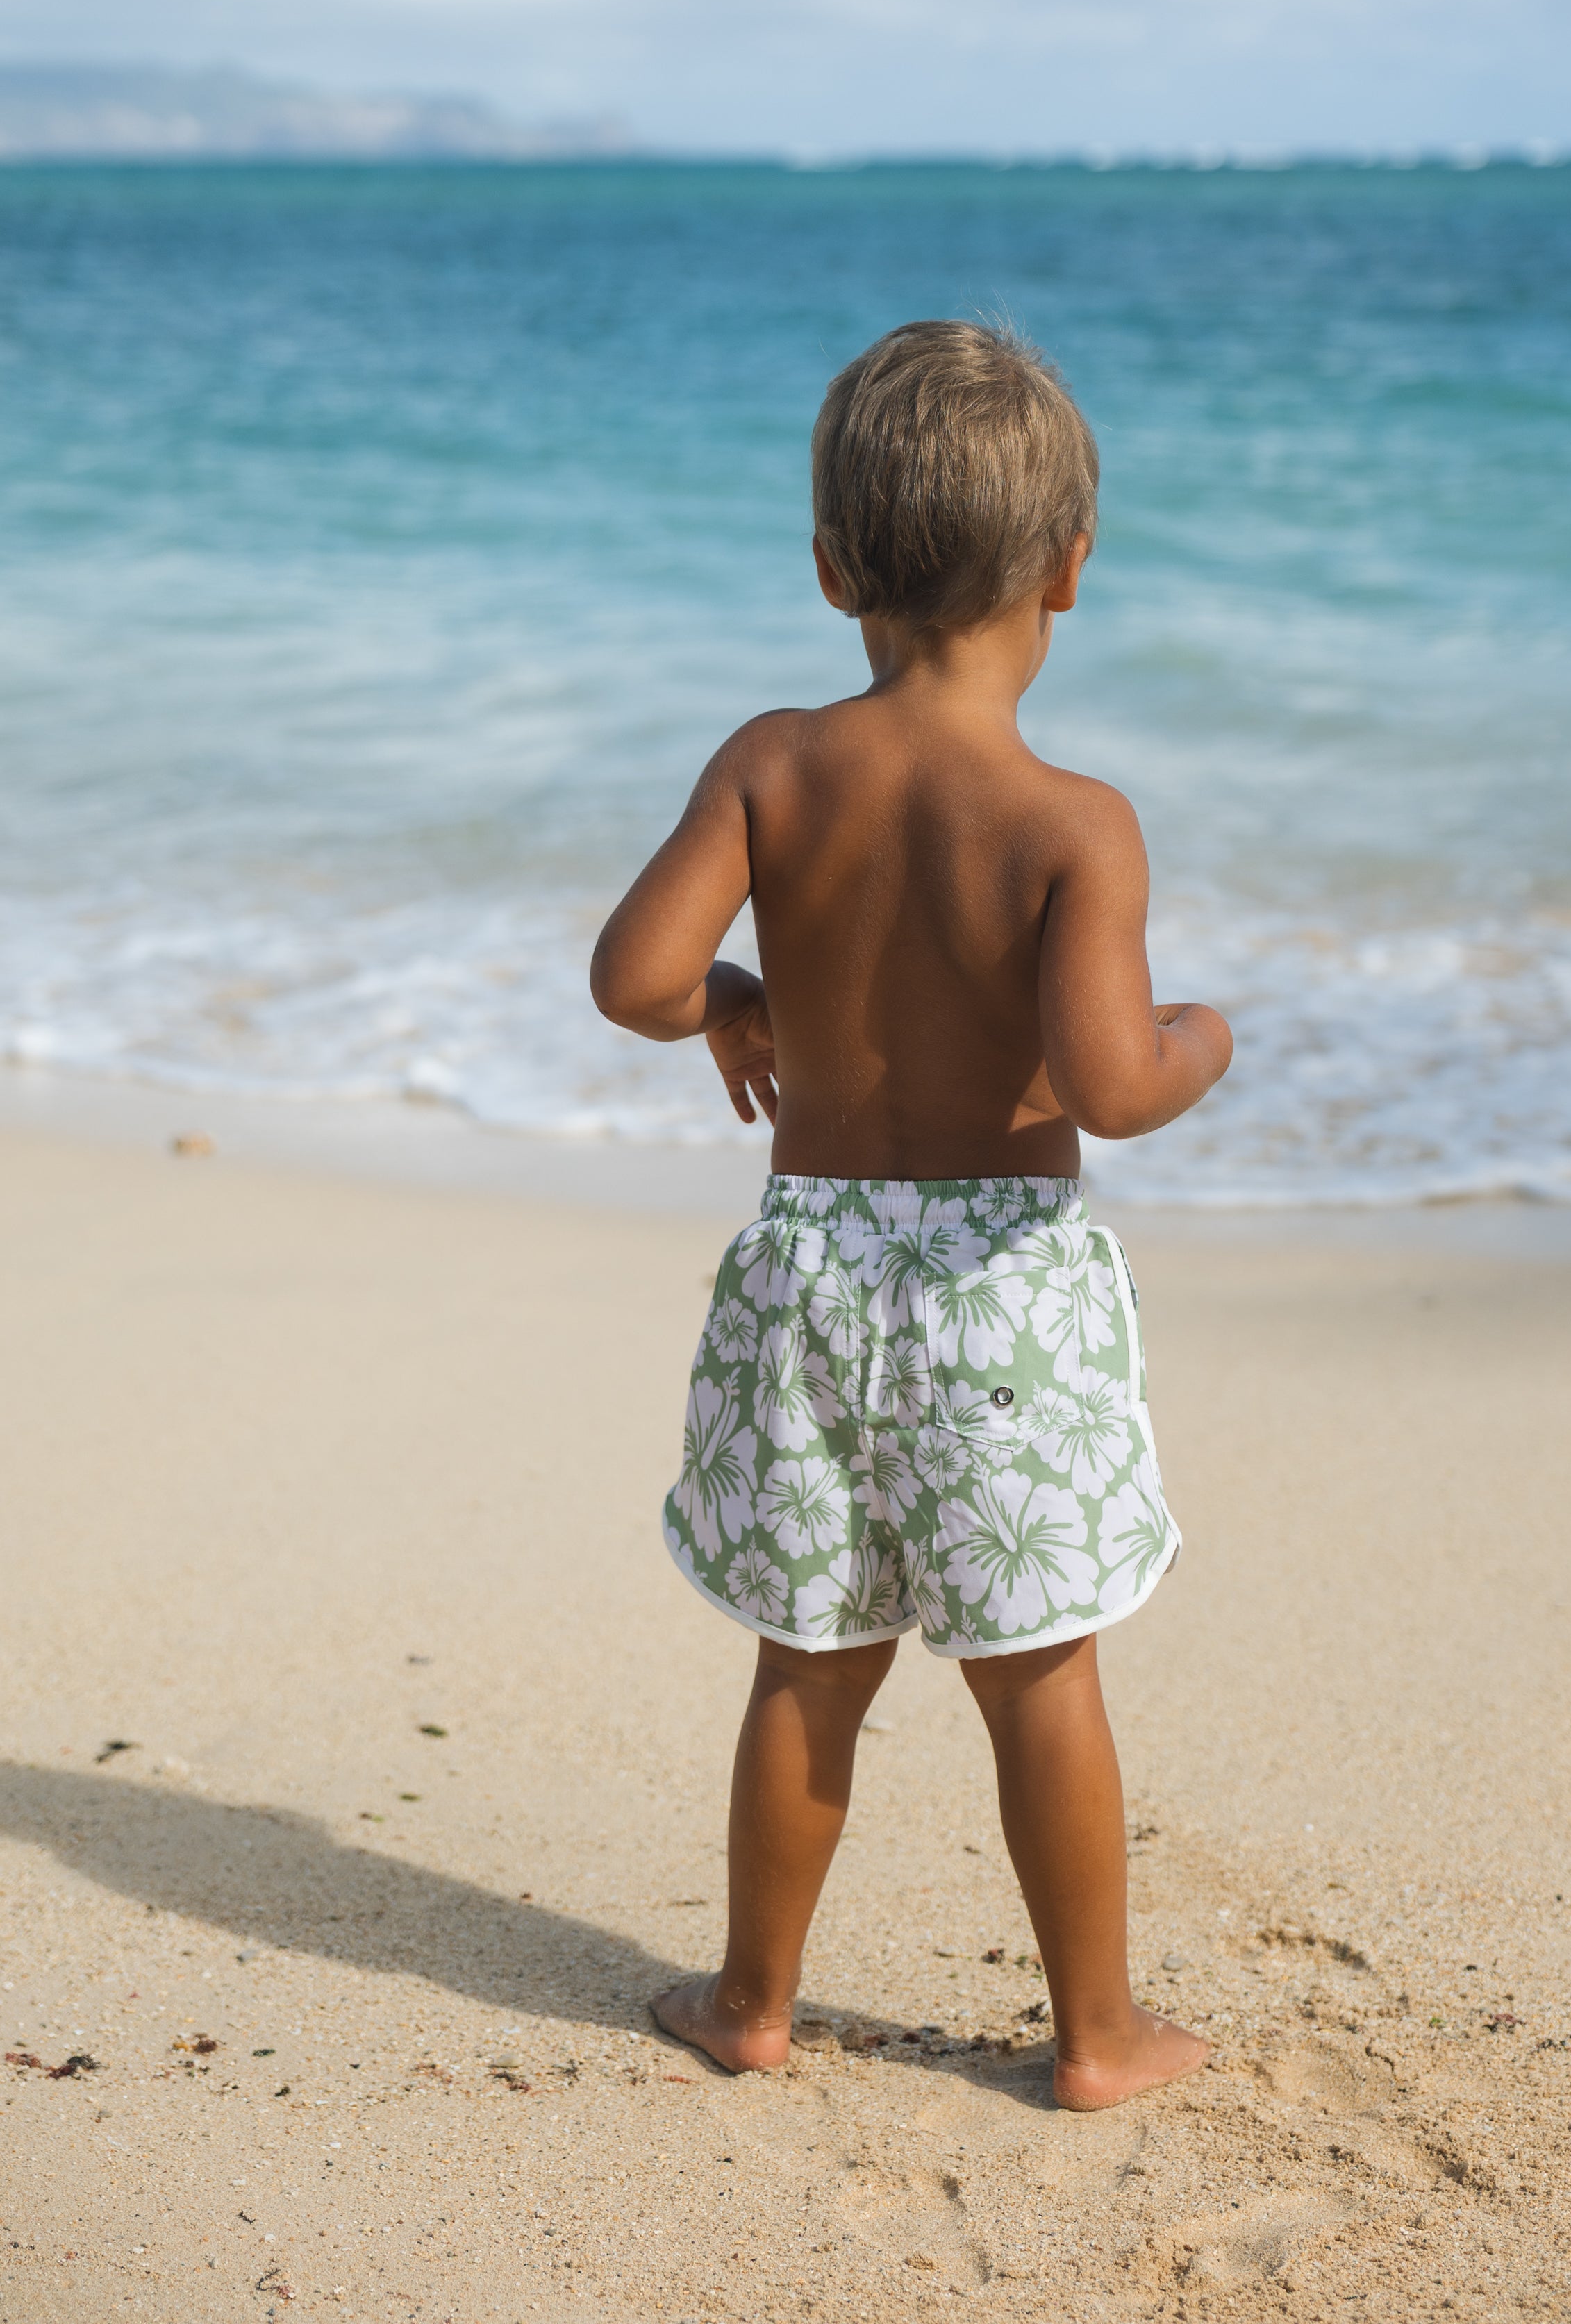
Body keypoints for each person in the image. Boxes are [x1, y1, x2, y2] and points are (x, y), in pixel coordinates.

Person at [590, 319, 1233, 2111]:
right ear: (1069, 571)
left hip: (811, 1281)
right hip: (997, 1308)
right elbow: (1108, 1081)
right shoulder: (1071, 826)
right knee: (1038, 1677)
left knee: (811, 1662)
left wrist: (729, 998)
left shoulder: (773, 767)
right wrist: (1202, 1043)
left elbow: (630, 975)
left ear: (829, 569)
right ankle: (1095, 2040)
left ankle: (751, 2005)